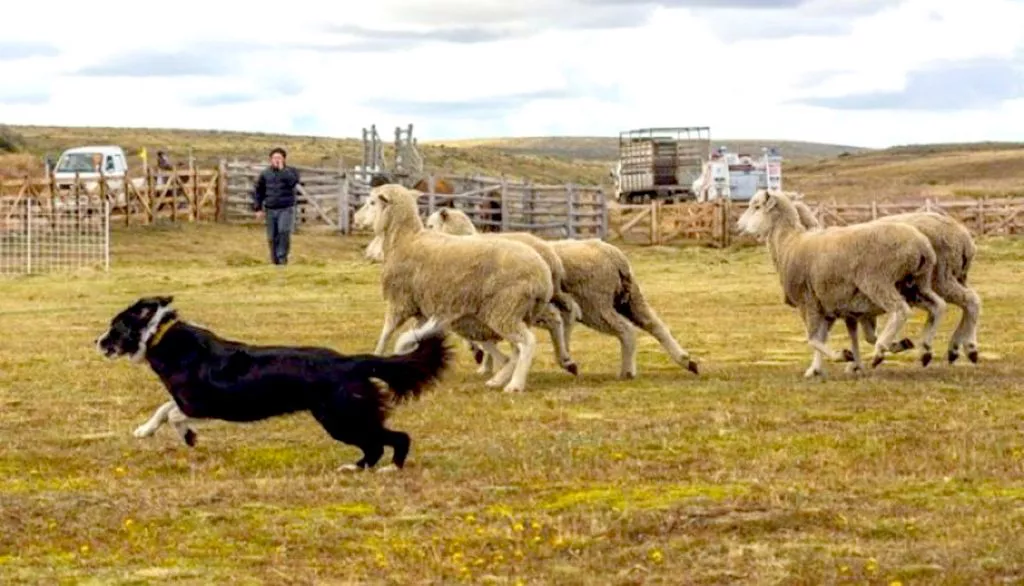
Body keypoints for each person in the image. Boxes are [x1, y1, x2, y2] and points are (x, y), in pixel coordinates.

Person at [251, 147, 302, 265]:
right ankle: (274, 261)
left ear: (284, 159)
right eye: (274, 158)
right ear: (270, 159)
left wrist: (282, 170)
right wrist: (258, 208)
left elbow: (293, 182)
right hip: (270, 209)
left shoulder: (291, 171)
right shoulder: (265, 174)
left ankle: (282, 258)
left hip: (286, 208)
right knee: (271, 236)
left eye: (279, 158)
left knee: (283, 232)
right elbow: (259, 191)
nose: (276, 160)